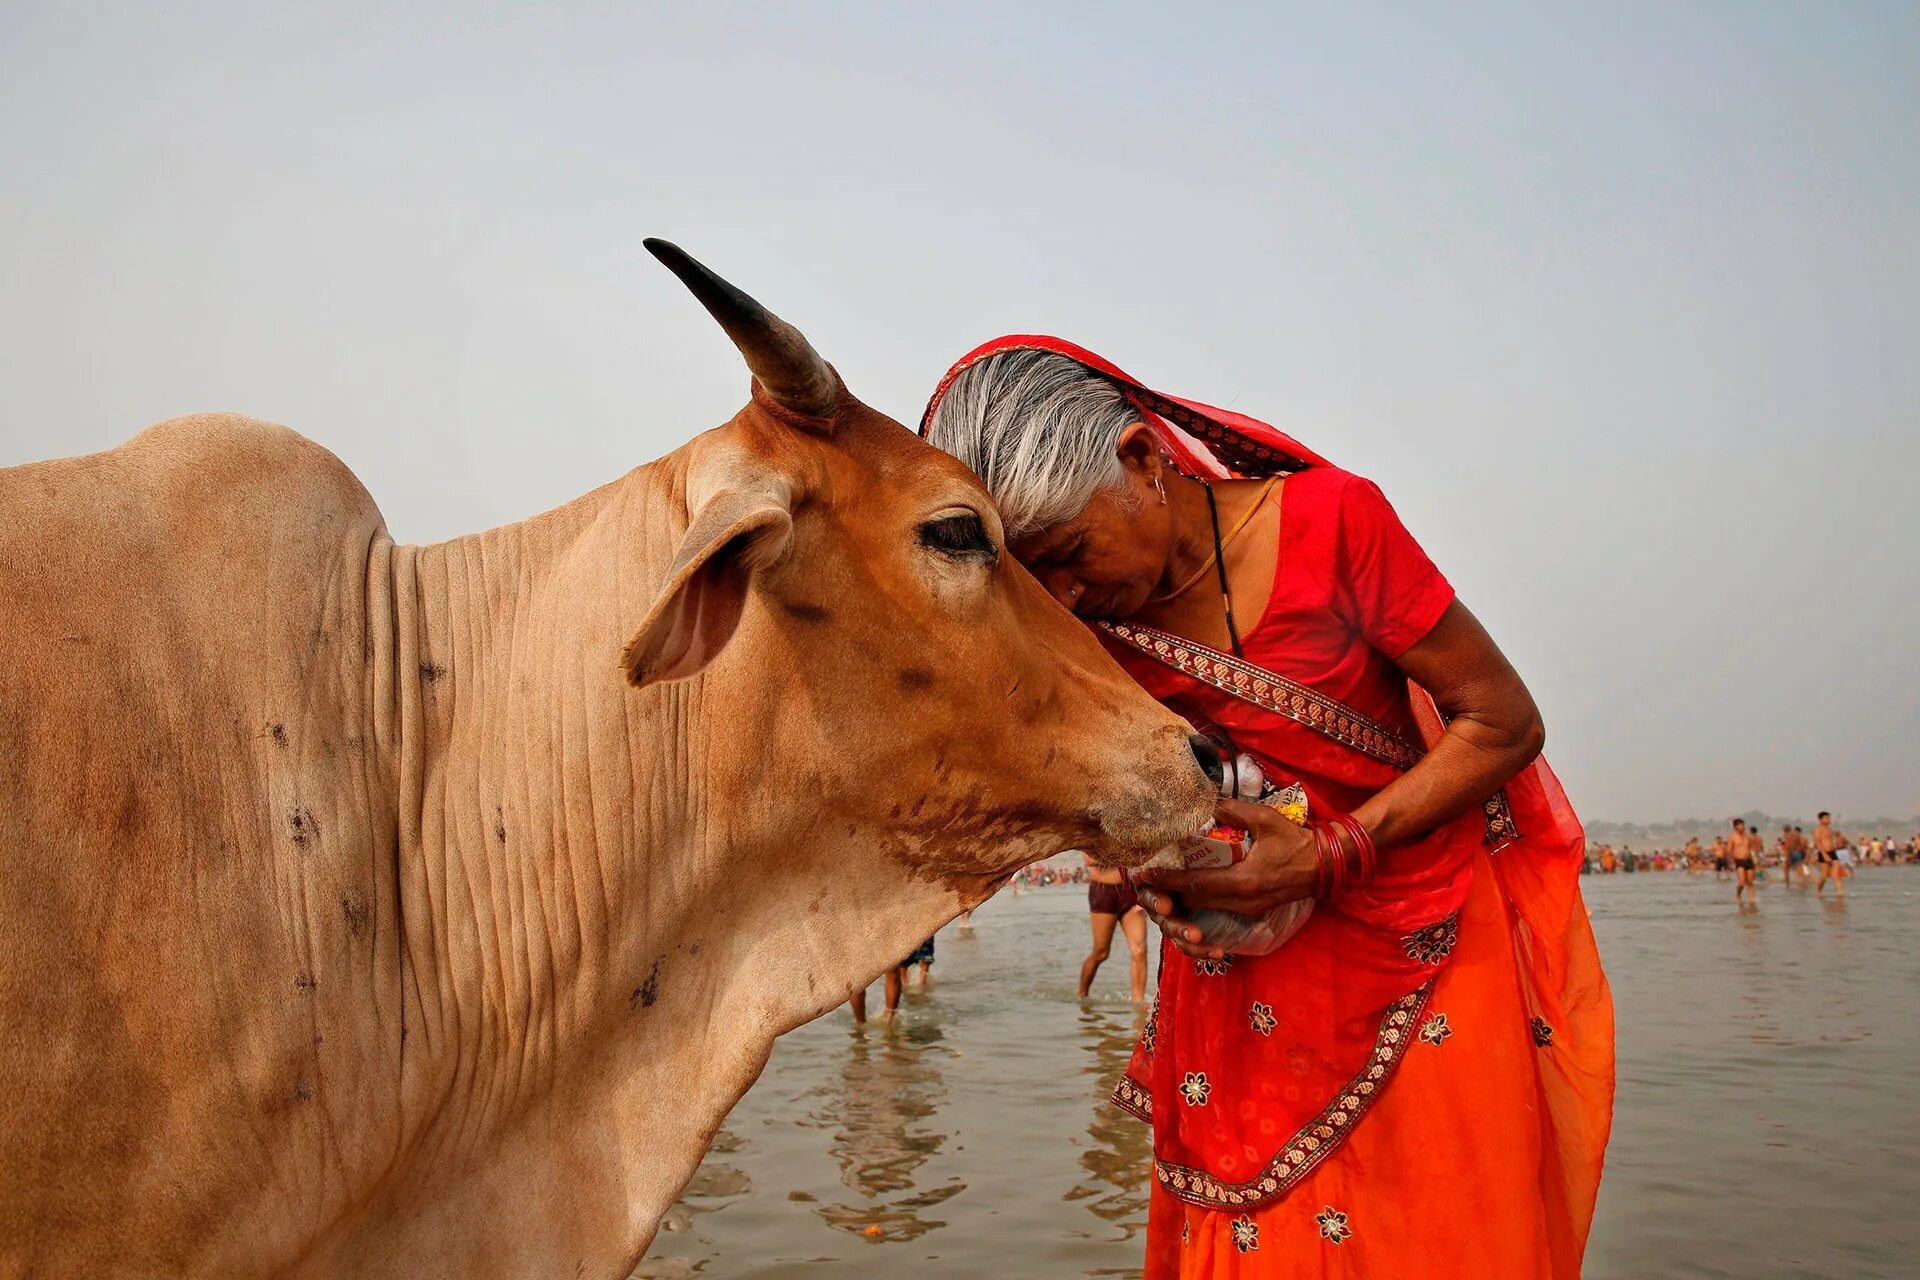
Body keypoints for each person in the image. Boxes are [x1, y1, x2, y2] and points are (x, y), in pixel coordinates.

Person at [924, 337, 1613, 1279]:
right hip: (1236, 983)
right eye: (1036, 580)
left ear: (1139, 460)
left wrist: (1328, 856)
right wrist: (1155, 874)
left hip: (1423, 942)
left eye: (1071, 554)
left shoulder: (1336, 527)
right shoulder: (1083, 630)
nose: (1066, 597)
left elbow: (1501, 722)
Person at [1081, 852, 1152, 1002]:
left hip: (1131, 892)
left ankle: (1138, 1006)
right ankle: (1082, 995)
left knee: (1140, 950)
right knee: (1101, 953)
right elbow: (1091, 860)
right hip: (1103, 891)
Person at [1812, 812, 1847, 899]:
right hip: (1823, 853)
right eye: (1826, 818)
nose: (1829, 820)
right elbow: (1818, 842)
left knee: (1837, 875)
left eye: (1829, 818)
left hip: (1833, 853)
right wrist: (1824, 854)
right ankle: (1819, 890)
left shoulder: (1830, 830)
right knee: (1824, 876)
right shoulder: (1818, 829)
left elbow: (1832, 842)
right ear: (1820, 819)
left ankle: (1840, 895)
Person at [1728, 818, 1758, 906]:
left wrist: (1756, 859)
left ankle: (1752, 901)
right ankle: (1738, 894)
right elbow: (1729, 851)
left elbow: (1752, 848)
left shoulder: (1748, 836)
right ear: (1736, 827)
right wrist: (1731, 862)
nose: (1743, 826)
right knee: (1742, 882)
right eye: (1741, 825)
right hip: (1739, 860)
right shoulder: (1732, 837)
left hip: (1749, 860)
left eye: (1743, 824)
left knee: (1750, 882)